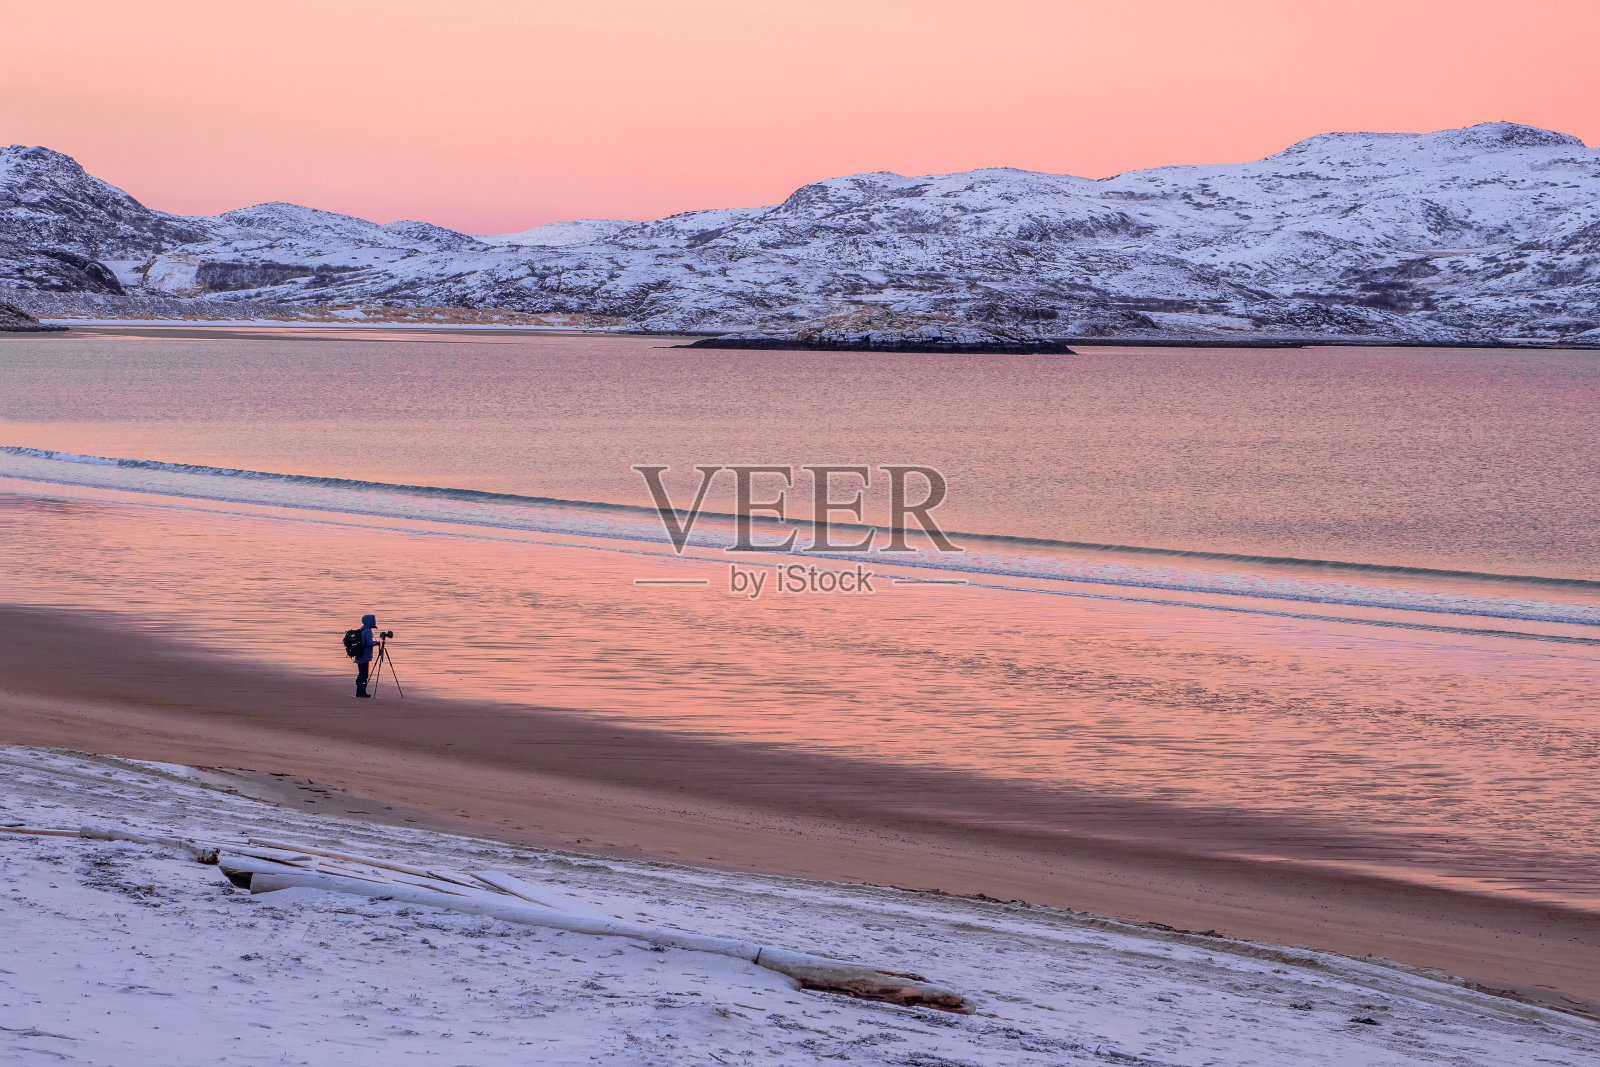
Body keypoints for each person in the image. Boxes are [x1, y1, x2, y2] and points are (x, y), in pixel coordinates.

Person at [355, 613, 379, 698]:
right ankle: (362, 692)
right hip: (364, 656)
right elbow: (369, 643)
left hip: (359, 655)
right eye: (373, 620)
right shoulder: (368, 630)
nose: (374, 622)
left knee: (361, 673)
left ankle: (359, 691)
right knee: (364, 674)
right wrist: (377, 643)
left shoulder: (362, 629)